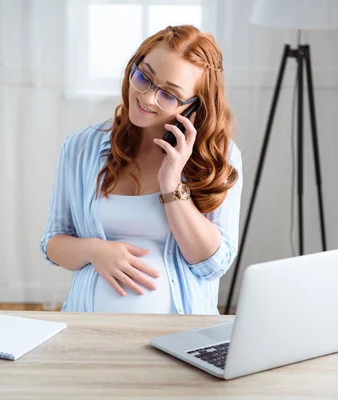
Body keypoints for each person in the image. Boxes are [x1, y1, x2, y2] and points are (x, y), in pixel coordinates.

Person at [40, 25, 243, 315]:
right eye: (144, 77)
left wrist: (172, 182)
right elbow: (53, 242)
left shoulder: (219, 157)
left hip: (177, 337)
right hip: (88, 332)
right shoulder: (80, 147)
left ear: (194, 106)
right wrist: (96, 252)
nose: (147, 98)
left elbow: (211, 264)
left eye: (169, 95)